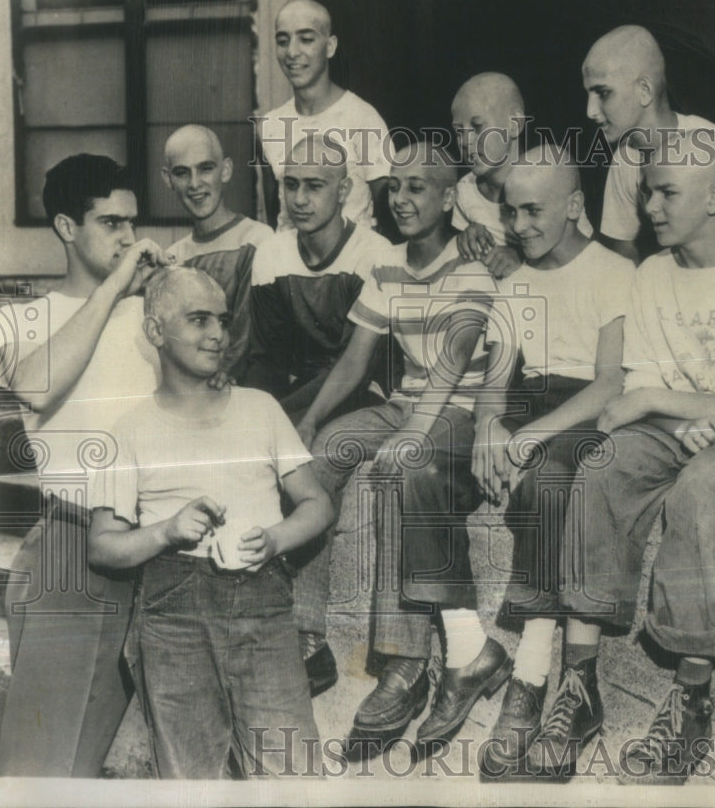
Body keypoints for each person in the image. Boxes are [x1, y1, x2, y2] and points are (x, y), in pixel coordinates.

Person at [542, 130, 715, 783]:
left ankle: (692, 700)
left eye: (667, 193)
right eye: (646, 192)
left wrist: (690, 409)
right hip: (679, 424)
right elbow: (635, 393)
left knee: (703, 487)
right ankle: (578, 688)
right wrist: (681, 410)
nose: (650, 207)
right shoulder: (651, 275)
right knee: (604, 466)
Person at [297, 141, 507, 756]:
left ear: (449, 199)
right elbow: (355, 359)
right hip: (404, 404)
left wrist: (415, 432)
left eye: (421, 187)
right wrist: (309, 422)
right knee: (320, 456)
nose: (405, 198)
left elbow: (455, 359)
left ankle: (404, 662)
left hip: (462, 411)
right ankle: (306, 635)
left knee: (400, 465)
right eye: (397, 187)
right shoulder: (386, 266)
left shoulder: (470, 270)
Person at [88, 267, 332, 779]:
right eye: (198, 320)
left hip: (263, 608)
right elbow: (103, 547)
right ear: (156, 332)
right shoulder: (128, 430)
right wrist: (167, 531)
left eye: (222, 320)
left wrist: (273, 540)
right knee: (191, 782)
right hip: (173, 615)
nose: (218, 334)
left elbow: (316, 504)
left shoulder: (260, 409)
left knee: (295, 777)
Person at [0, 154, 174, 777]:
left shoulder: (153, 312)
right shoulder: (26, 318)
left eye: (132, 222)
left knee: (138, 767)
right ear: (68, 228)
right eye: (109, 223)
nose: (128, 237)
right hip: (73, 548)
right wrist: (116, 287)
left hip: (161, 548)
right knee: (46, 763)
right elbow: (37, 388)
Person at [470, 148, 632, 776]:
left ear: (574, 206)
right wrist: (488, 427)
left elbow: (610, 384)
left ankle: (532, 677)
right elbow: (496, 379)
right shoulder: (513, 284)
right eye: (510, 212)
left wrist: (527, 436)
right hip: (527, 408)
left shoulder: (613, 272)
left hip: (582, 411)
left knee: (548, 481)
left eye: (534, 210)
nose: (521, 225)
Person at [246, 136, 394, 694]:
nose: (301, 198)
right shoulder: (273, 254)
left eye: (315, 185)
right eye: (291, 185)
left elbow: (363, 362)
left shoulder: (377, 253)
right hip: (300, 393)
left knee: (312, 462)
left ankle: (309, 639)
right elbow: (263, 360)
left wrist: (298, 424)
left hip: (366, 392)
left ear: (345, 189)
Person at [583, 25, 715, 262]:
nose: (590, 111)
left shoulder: (712, 150)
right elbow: (622, 264)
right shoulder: (625, 159)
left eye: (603, 93)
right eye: (588, 94)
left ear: (644, 90)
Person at [256, 0, 392, 232]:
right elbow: (276, 217)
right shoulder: (270, 125)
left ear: (330, 46)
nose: (292, 52)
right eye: (282, 41)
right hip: (290, 264)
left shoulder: (363, 118)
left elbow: (391, 216)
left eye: (306, 39)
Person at [450, 72, 594, 279]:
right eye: (458, 131)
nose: (465, 141)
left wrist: (522, 257)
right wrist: (465, 239)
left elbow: (581, 252)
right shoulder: (464, 191)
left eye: (477, 126)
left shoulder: (548, 179)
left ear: (514, 125)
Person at [161, 124, 273, 379]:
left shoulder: (257, 240)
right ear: (168, 179)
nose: (195, 184)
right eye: (182, 173)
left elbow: (249, 337)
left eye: (205, 169)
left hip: (243, 387)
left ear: (225, 170)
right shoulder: (173, 258)